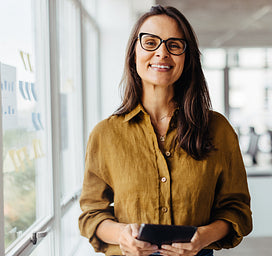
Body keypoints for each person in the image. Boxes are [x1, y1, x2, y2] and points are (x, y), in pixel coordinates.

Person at [78, 6, 252, 256]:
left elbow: (237, 210)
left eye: (174, 45)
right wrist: (122, 236)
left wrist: (202, 237)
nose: (162, 53)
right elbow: (92, 214)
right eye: (150, 42)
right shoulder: (105, 134)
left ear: (187, 57)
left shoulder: (218, 129)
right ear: (133, 54)